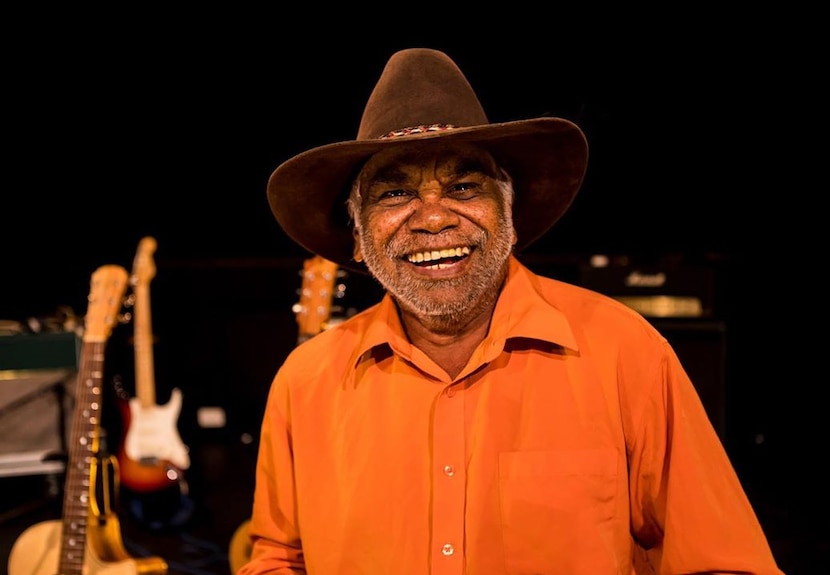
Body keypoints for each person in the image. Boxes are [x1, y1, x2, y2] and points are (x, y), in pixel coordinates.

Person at [237, 48, 784, 575]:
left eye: (464, 186)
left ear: (510, 216)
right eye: (395, 195)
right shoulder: (304, 382)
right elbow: (280, 559)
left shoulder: (624, 352)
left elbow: (724, 563)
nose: (433, 219)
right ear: (358, 238)